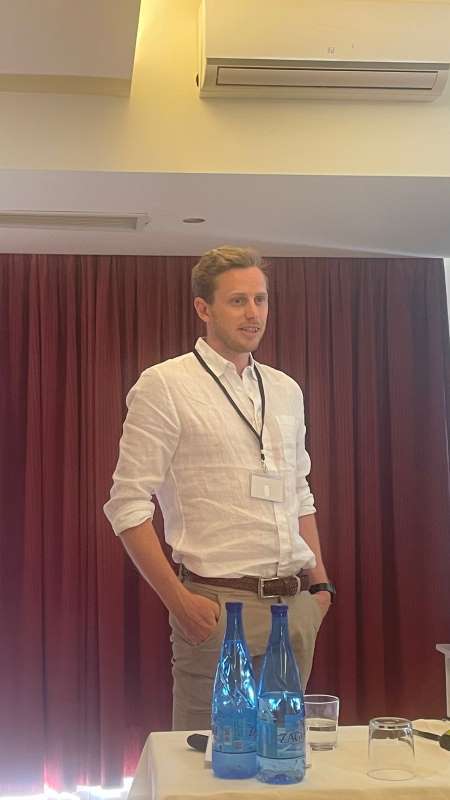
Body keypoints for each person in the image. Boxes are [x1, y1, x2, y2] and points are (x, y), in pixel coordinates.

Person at [104, 246, 334, 731]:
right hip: (217, 608)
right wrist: (178, 601)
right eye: (237, 301)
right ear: (203, 308)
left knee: (283, 753)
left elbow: (299, 491)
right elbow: (127, 506)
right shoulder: (165, 385)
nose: (253, 313)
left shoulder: (285, 389)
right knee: (204, 759)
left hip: (295, 608)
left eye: (260, 300)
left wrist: (320, 586)